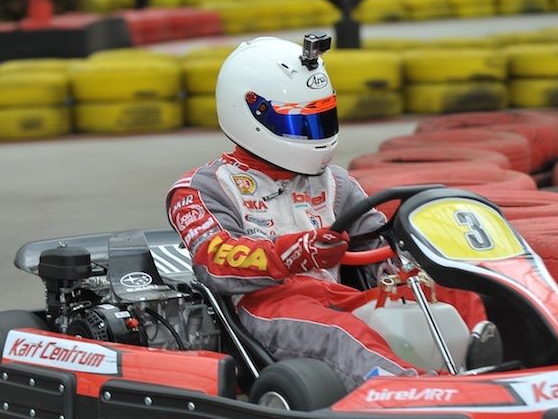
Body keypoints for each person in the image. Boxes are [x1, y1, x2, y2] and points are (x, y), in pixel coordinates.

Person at [166, 34, 500, 390]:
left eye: (320, 120)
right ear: (249, 112)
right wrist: (296, 252)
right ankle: (415, 390)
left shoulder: (335, 183)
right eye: (299, 123)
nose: (313, 134)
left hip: (336, 298)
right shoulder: (203, 188)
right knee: (343, 332)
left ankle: (488, 359)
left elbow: (377, 249)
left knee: (444, 286)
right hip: (267, 307)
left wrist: (411, 261)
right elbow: (215, 262)